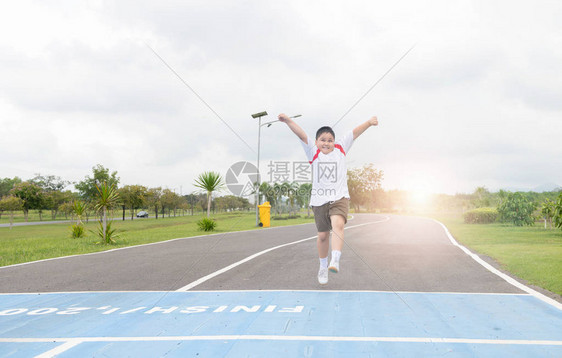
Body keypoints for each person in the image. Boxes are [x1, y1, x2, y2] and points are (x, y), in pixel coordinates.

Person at [278, 113, 379, 284]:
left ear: (335, 142)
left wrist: (369, 122)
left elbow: (355, 132)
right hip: (319, 200)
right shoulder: (313, 152)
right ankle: (323, 266)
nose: (327, 143)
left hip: (339, 197)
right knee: (323, 236)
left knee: (338, 224)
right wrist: (288, 121)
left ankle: (335, 259)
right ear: (316, 142)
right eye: (323, 140)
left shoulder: (340, 149)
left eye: (330, 140)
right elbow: (301, 134)